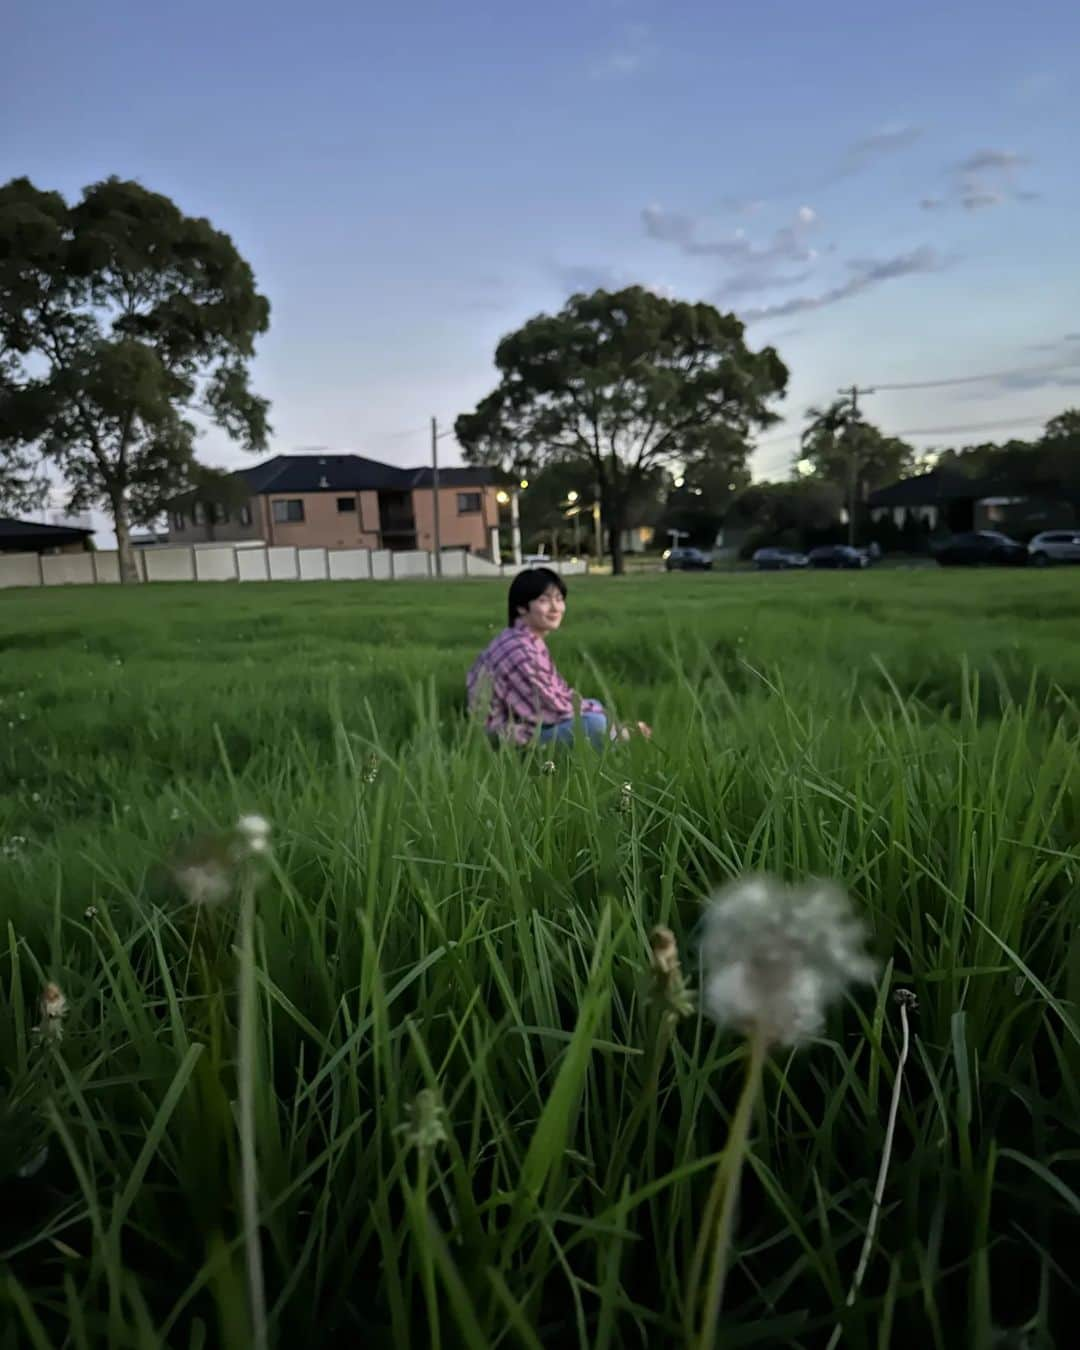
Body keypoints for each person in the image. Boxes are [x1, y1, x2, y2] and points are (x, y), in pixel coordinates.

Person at [467, 567, 651, 748]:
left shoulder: (522, 638)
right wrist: (607, 720)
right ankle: (623, 738)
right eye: (544, 600)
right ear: (522, 607)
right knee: (595, 724)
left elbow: (557, 694)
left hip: (520, 722)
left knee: (593, 707)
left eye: (559, 599)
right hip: (506, 737)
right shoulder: (520, 651)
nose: (555, 607)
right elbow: (551, 710)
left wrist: (595, 710)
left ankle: (618, 736)